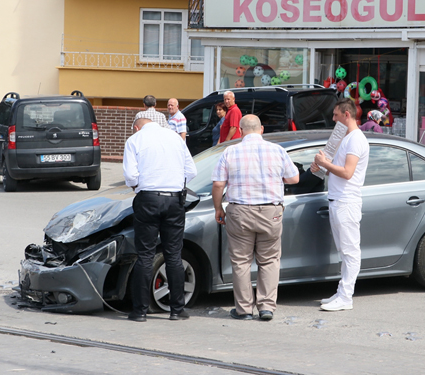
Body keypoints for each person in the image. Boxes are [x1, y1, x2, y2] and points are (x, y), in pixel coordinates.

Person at [211, 115, 299, 321]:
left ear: (241, 131)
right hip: (271, 212)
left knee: (241, 262)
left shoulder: (230, 151)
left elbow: (217, 184)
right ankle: (266, 307)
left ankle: (243, 310)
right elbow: (294, 178)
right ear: (262, 130)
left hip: (240, 211)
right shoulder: (277, 150)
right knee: (269, 260)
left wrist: (218, 208)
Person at [123, 116, 197, 321]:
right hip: (174, 200)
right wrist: (174, 182)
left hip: (147, 199)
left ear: (137, 127)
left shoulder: (134, 140)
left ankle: (140, 312)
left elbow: (130, 175)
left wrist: (139, 186)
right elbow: (192, 171)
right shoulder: (175, 138)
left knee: (145, 255)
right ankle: (177, 310)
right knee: (174, 255)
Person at [311, 98, 369, 311]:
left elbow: (347, 172)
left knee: (350, 251)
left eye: (336, 115)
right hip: (338, 200)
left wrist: (325, 163)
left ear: (346, 115)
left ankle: (346, 297)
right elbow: (339, 171)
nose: (333, 118)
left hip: (346, 201)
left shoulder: (355, 139)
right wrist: (321, 167)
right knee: (344, 251)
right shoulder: (347, 138)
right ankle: (341, 293)